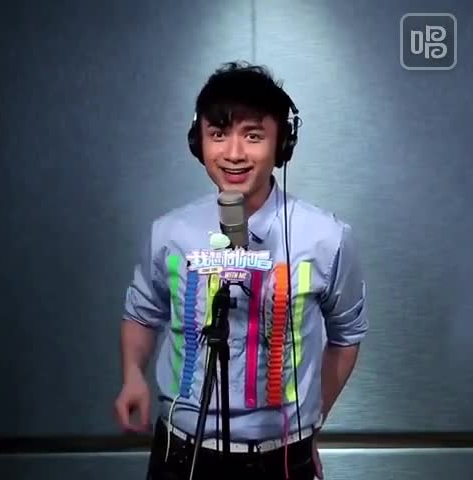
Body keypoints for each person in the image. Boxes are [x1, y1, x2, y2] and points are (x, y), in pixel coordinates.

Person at [114, 61, 368, 480]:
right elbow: (142, 313)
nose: (234, 154)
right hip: (181, 454)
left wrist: (311, 422)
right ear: (198, 142)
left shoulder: (327, 237)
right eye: (218, 134)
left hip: (282, 458)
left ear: (282, 144)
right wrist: (132, 376)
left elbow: (347, 335)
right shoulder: (169, 232)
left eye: (253, 136)